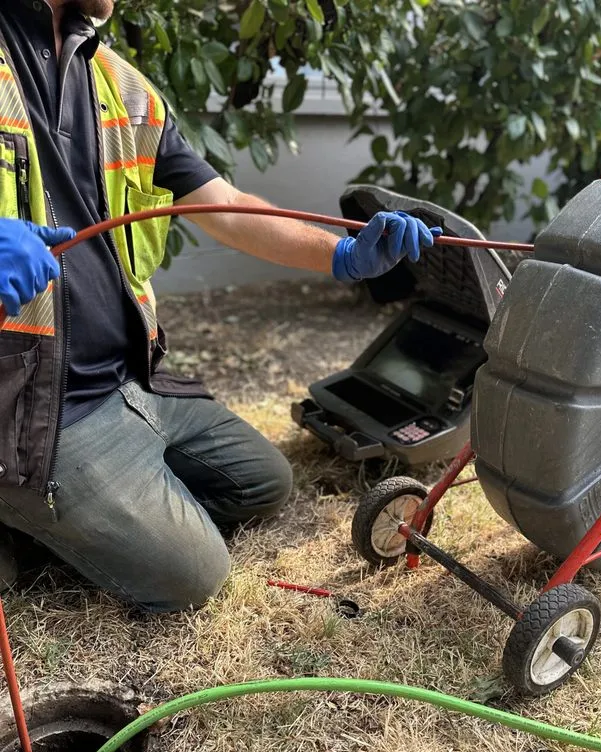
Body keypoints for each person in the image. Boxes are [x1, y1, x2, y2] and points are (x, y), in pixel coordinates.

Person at [0, 0, 438, 610]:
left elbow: (224, 206)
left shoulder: (120, 87)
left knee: (263, 483)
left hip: (130, 382)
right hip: (30, 411)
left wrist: (342, 255)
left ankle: (84, 515)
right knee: (193, 577)